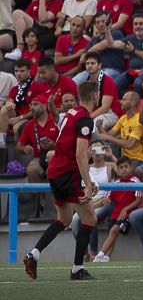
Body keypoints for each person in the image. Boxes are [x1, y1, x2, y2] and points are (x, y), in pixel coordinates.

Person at [22, 80, 100, 281]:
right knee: (90, 218)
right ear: (95, 96)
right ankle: (77, 268)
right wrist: (88, 183)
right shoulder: (84, 118)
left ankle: (34, 254)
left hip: (55, 171)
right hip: (67, 172)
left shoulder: (71, 114)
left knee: (63, 219)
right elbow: (80, 155)